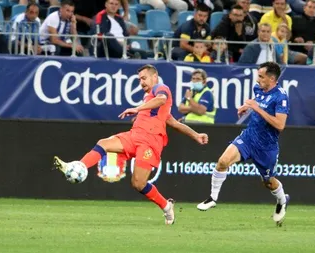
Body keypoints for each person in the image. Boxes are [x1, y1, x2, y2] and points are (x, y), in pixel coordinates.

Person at [53, 64, 209, 225]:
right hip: (135, 135)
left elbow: (161, 100)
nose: (141, 82)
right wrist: (195, 135)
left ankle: (166, 206)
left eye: (144, 78)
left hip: (150, 141)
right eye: (139, 79)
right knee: (103, 143)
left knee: (138, 183)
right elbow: (173, 122)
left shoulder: (161, 88)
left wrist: (137, 109)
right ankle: (78, 166)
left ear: (154, 77)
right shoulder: (148, 99)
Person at [197, 61, 290, 227]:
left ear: (271, 78)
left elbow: (280, 125)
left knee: (268, 182)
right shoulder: (258, 89)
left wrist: (257, 108)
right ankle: (213, 198)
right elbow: (257, 100)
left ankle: (282, 200)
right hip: (248, 137)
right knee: (223, 162)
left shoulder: (281, 97)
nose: (257, 80)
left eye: (261, 77)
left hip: (266, 147)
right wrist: (246, 106)